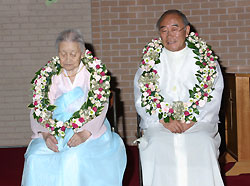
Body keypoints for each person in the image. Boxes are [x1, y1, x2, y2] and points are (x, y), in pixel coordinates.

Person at [22, 29, 126, 186]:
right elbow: (39, 107)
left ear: (82, 54)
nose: (68, 59)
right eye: (63, 54)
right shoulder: (50, 75)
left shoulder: (93, 75)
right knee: (35, 156)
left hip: (89, 126)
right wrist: (45, 135)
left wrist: (84, 134)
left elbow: (101, 105)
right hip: (54, 127)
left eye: (73, 54)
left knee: (73, 158)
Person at [134, 10, 224, 186]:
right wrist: (164, 120)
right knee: (158, 143)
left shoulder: (206, 60)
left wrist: (192, 119)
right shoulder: (150, 62)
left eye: (175, 29)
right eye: (164, 30)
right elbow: (141, 96)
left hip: (198, 121)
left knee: (202, 142)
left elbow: (214, 93)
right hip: (160, 123)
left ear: (187, 30)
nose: (169, 35)